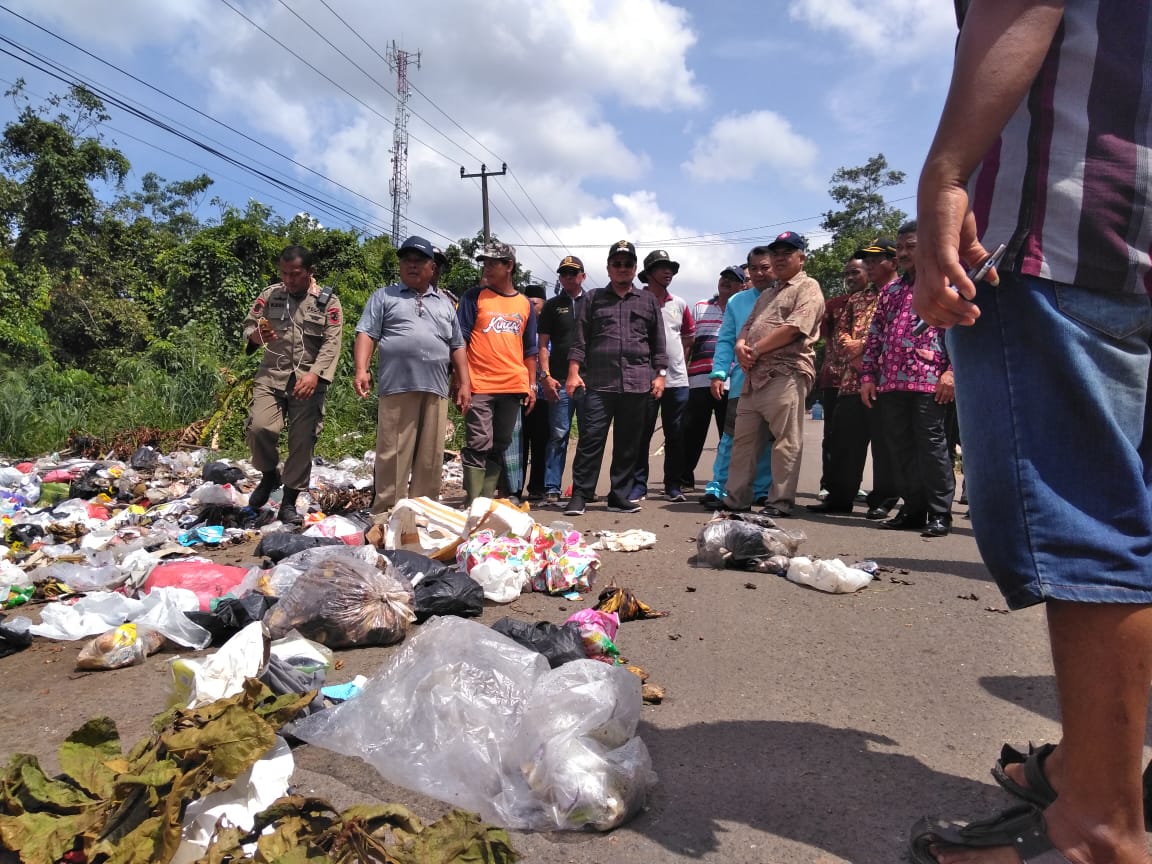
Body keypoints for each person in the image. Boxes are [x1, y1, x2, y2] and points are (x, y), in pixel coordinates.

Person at [909, 3, 1152, 863]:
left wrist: (946, 174)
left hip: (1072, 218)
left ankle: (1096, 828)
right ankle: (1104, 768)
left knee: (1089, 523)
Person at [353, 235, 470, 513]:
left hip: (436, 388)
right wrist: (361, 369)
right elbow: (366, 333)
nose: (412, 266)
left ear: (432, 268)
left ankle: (422, 515)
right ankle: (386, 516)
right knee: (393, 454)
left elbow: (457, 346)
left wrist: (464, 382)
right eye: (407, 260)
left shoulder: (445, 304)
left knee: (430, 459)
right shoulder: (384, 296)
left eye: (419, 261)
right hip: (397, 386)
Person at [859, 222, 956, 537]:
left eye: (909, 246)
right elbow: (876, 335)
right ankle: (914, 509)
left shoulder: (945, 283)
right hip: (890, 383)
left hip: (930, 381)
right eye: (899, 248)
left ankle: (940, 513)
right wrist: (868, 375)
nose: (902, 253)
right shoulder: (892, 290)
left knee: (932, 447)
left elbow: (959, 332)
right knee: (900, 448)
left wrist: (951, 372)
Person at [721, 231, 824, 518]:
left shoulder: (808, 287)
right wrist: (742, 345)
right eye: (775, 253)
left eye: (787, 253)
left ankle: (779, 502)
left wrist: (753, 349)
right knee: (743, 441)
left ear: (801, 258)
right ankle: (736, 499)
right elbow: (747, 325)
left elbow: (794, 328)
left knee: (785, 441)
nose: (779, 258)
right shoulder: (766, 292)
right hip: (753, 376)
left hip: (786, 372)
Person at [563, 240, 667, 516]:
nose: (622, 268)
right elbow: (579, 339)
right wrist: (573, 372)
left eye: (628, 264)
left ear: (635, 269)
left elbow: (659, 342)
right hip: (599, 382)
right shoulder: (593, 298)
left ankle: (619, 496)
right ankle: (580, 495)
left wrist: (660, 376)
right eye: (617, 264)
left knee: (628, 444)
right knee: (590, 440)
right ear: (608, 268)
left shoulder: (648, 301)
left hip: (637, 383)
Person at [242, 245, 343, 525]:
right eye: (284, 274)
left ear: (310, 273)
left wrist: (315, 374)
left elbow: (332, 343)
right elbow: (249, 328)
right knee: (260, 427)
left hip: (307, 383)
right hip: (271, 376)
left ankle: (288, 501)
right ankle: (268, 474)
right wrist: (257, 336)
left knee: (301, 443)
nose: (289, 280)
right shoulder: (270, 295)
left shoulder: (328, 303)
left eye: (295, 274)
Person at [808, 248, 899, 517]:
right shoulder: (857, 299)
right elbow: (841, 334)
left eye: (874, 261)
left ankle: (883, 500)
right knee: (844, 442)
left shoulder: (902, 293)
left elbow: (896, 333)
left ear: (892, 263)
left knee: (885, 445)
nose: (870, 266)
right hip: (851, 382)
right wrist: (854, 352)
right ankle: (839, 498)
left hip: (886, 381)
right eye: (866, 261)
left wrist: (866, 350)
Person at [456, 241, 538, 503]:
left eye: (493, 263)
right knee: (479, 442)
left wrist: (532, 385)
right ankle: (473, 503)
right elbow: (460, 341)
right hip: (480, 384)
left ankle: (485, 501)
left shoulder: (524, 304)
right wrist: (462, 383)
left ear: (509, 266)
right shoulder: (473, 297)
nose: (487, 268)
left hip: (513, 385)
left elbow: (530, 349)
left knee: (499, 444)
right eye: (485, 263)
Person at [701, 258, 774, 509]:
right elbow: (726, 340)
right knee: (731, 437)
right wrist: (719, 373)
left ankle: (761, 489)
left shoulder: (786, 296)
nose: (759, 274)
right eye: (753, 270)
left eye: (764, 268)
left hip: (776, 380)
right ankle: (717, 486)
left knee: (767, 438)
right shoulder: (737, 301)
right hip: (742, 382)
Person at [633, 249, 695, 502]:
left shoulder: (679, 303)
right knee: (642, 433)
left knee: (676, 434)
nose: (668, 271)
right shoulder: (636, 300)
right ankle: (638, 485)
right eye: (661, 267)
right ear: (648, 274)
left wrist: (678, 362)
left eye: (670, 267)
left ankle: (673, 485)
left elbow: (688, 337)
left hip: (677, 380)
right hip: (644, 379)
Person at [682, 264, 744, 492]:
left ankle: (727, 481)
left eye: (732, 279)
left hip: (730, 383)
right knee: (692, 433)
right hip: (698, 380)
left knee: (728, 435)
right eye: (723, 277)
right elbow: (688, 343)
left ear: (741, 285)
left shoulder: (743, 309)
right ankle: (684, 478)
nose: (726, 281)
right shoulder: (699, 307)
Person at [537, 255, 587, 505]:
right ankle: (552, 487)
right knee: (558, 434)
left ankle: (582, 488)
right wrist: (545, 375)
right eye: (564, 273)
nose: (568, 277)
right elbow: (543, 344)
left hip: (589, 381)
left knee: (589, 436)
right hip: (558, 381)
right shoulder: (552, 305)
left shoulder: (593, 302)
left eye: (573, 273)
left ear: (583, 276)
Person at [500, 283, 550, 503]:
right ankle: (515, 490)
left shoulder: (548, 329)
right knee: (517, 444)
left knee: (541, 443)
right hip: (518, 392)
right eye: (527, 302)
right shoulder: (516, 326)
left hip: (542, 396)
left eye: (535, 303)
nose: (530, 306)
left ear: (544, 305)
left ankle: (537, 487)